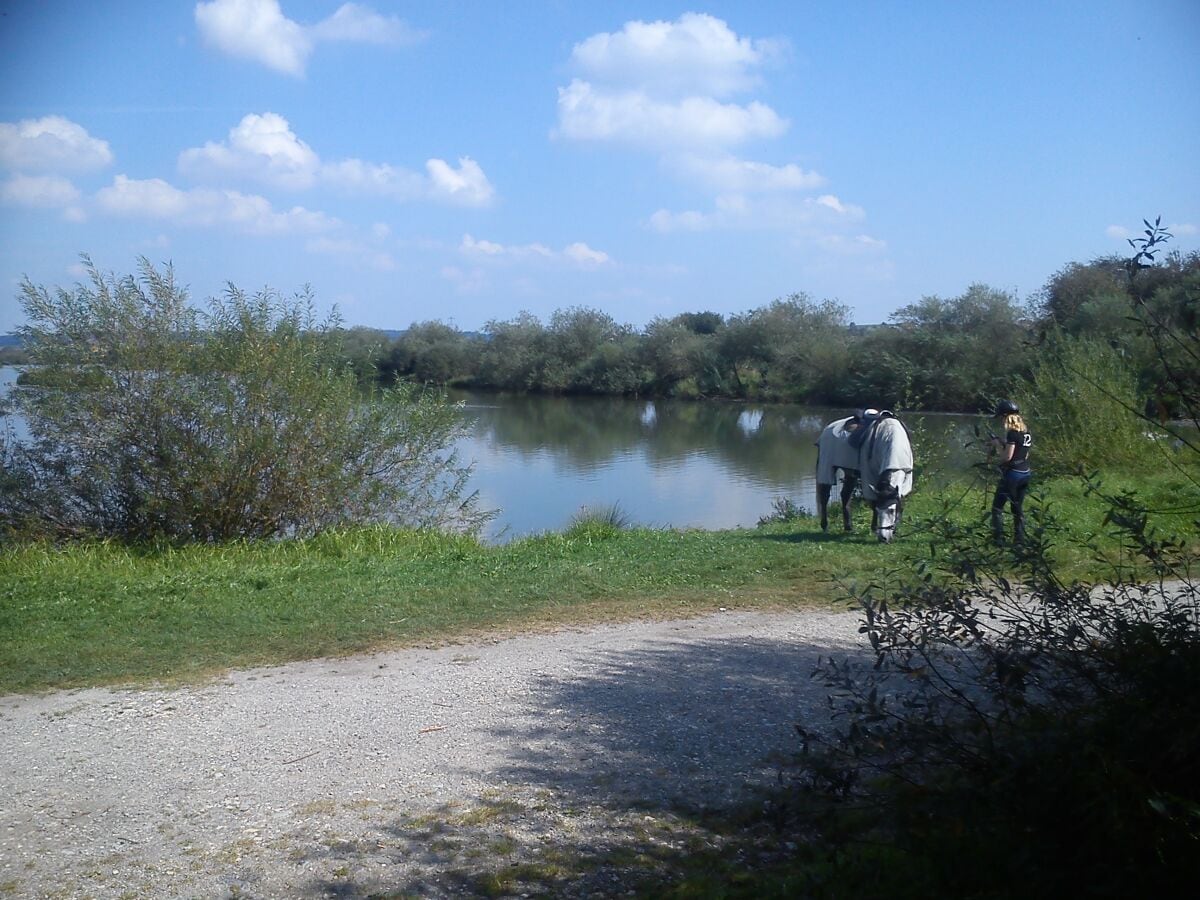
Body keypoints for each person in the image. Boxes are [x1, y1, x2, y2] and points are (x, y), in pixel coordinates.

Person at [990, 399, 1032, 544]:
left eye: (1001, 418)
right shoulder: (1026, 433)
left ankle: (998, 540)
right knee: (1017, 508)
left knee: (997, 507)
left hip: (1012, 475)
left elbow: (1007, 457)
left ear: (1005, 417)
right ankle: (1019, 541)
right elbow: (1024, 454)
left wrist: (997, 446)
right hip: (1025, 473)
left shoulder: (1012, 434)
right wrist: (1004, 443)